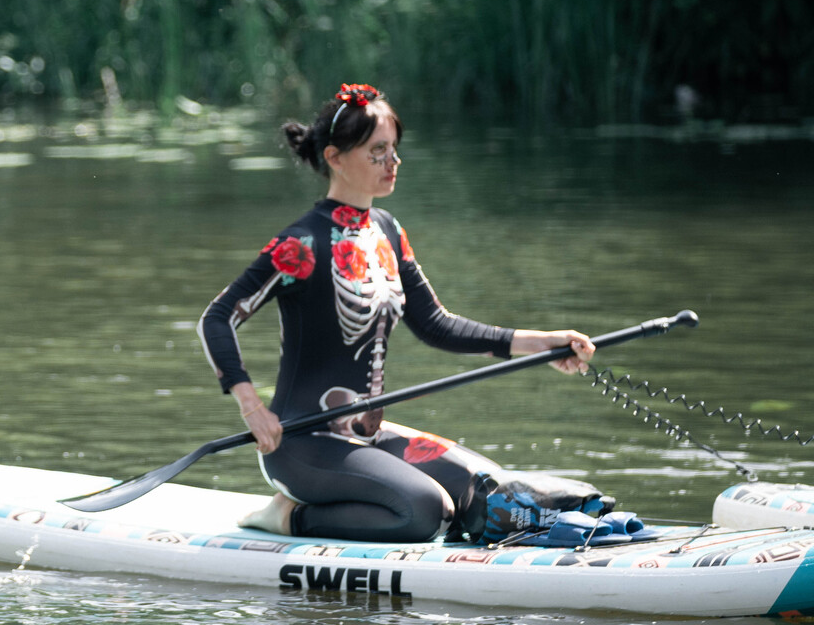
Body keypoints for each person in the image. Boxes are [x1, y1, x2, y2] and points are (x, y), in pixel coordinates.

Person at [197, 83, 594, 543]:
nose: (393, 163)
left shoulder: (387, 230)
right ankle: (286, 516)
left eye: (394, 150)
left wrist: (539, 343)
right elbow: (218, 317)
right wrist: (251, 407)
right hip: (301, 444)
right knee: (426, 510)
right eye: (378, 152)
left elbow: (437, 325)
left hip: (368, 437)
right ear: (336, 158)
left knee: (490, 492)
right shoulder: (300, 244)